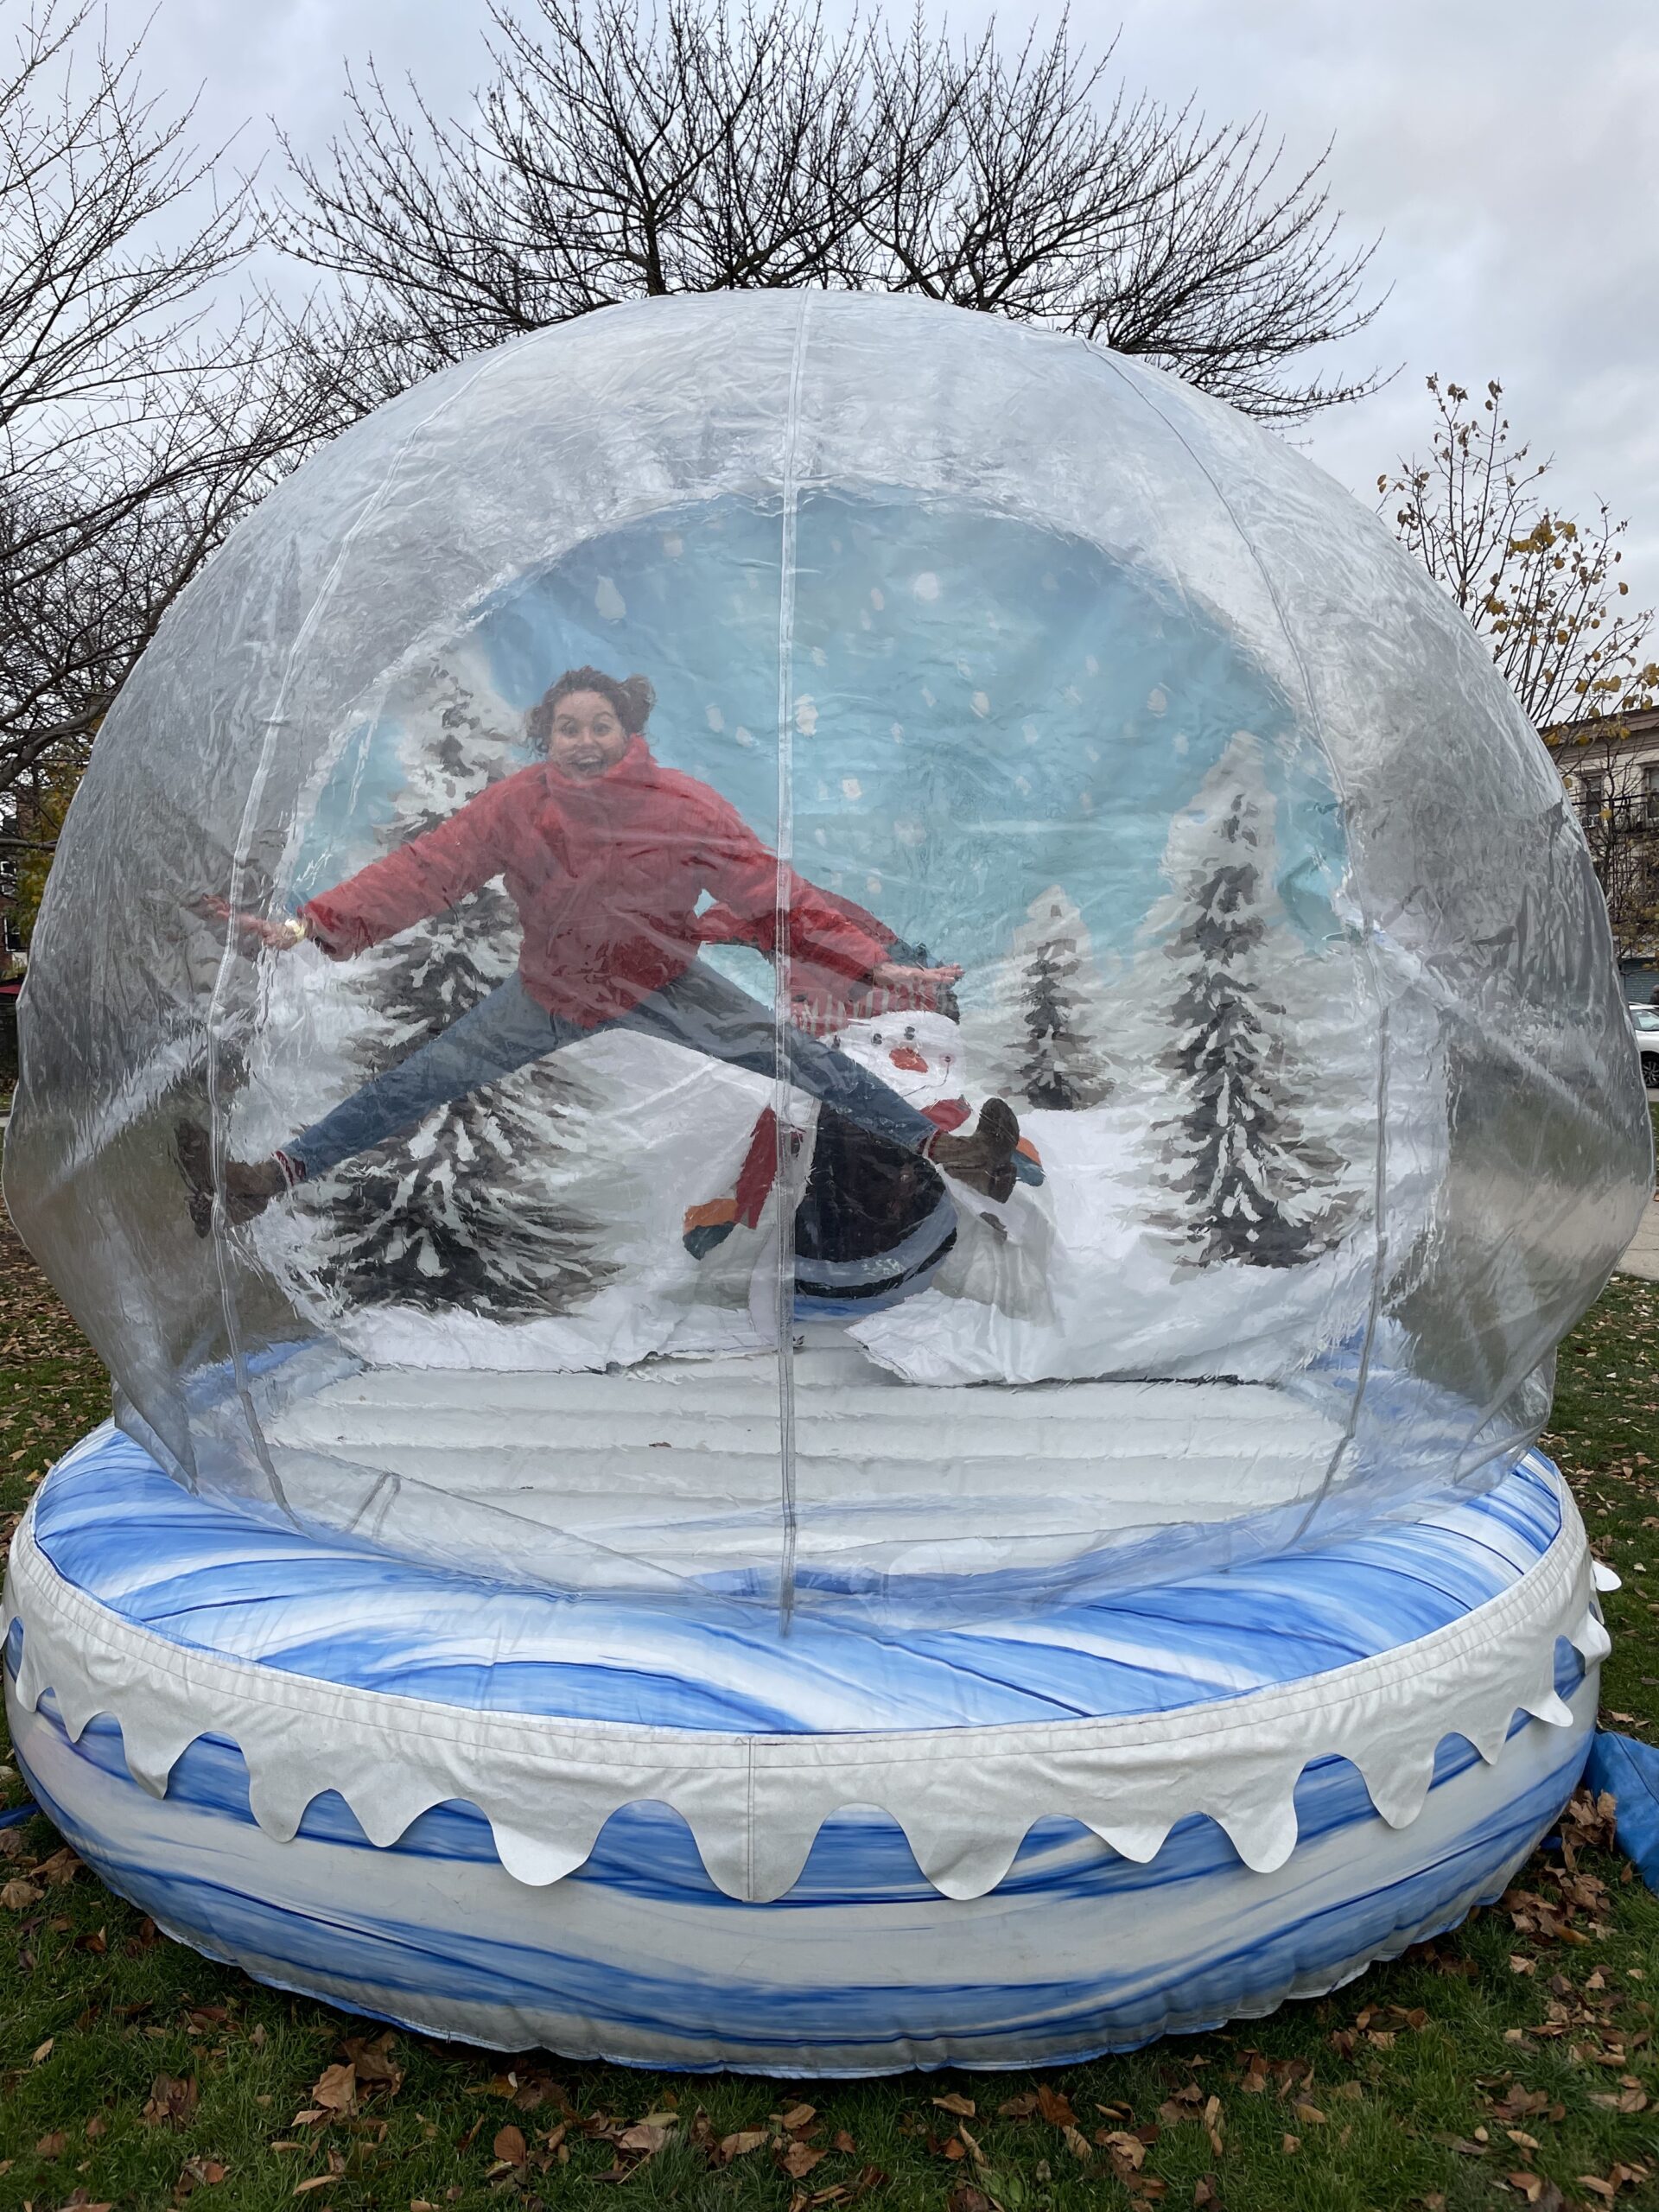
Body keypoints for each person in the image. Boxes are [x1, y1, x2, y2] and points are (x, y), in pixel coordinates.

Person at [179, 666, 1024, 1233]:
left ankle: (953, 1152)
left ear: (628, 729)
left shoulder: (683, 805)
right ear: (546, 736)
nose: (583, 740)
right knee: (415, 1083)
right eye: (566, 728)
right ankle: (265, 1181)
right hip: (551, 993)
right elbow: (428, 868)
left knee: (808, 1063)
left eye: (599, 725)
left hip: (665, 985)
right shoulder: (518, 804)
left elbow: (772, 896)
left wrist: (870, 964)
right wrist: (305, 926)